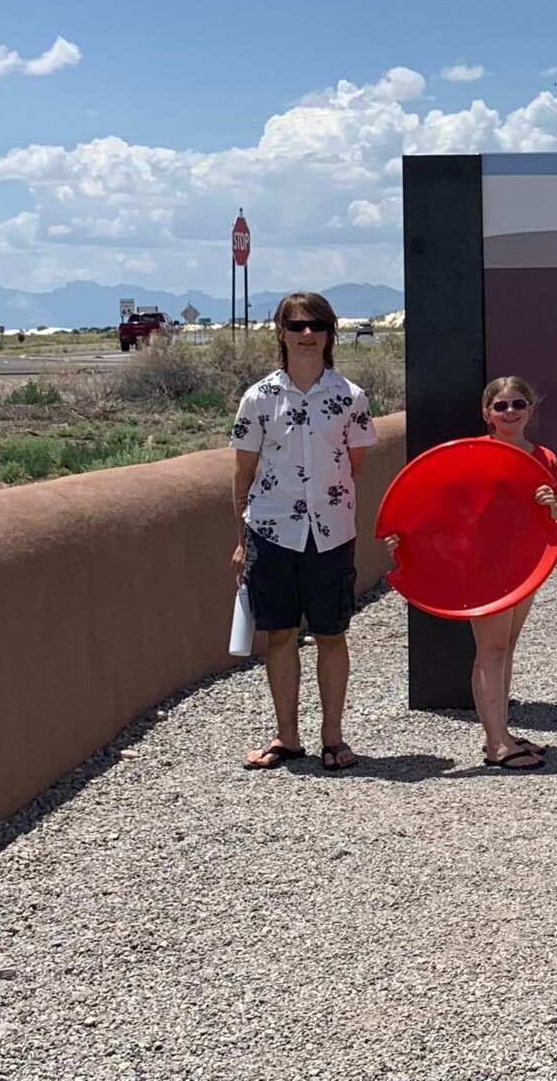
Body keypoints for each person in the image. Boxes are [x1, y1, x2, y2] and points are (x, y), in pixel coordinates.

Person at [230, 292, 376, 771]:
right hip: (271, 530)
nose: (307, 334)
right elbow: (243, 474)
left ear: (330, 333)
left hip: (331, 532)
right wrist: (241, 540)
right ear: (282, 333)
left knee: (332, 633)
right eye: (297, 326)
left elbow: (352, 463)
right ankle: (286, 737)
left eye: (317, 325)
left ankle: (333, 738)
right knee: (280, 634)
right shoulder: (258, 398)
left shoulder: (350, 397)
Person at [391, 375, 557, 771]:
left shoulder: (544, 457)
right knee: (491, 650)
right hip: (481, 568)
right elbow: (436, 504)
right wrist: (402, 541)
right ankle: (496, 743)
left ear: (530, 410)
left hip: (524, 565)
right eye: (501, 406)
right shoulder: (471, 454)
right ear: (487, 413)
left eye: (518, 404)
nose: (510, 412)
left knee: (505, 650)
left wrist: (550, 504)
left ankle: (502, 731)